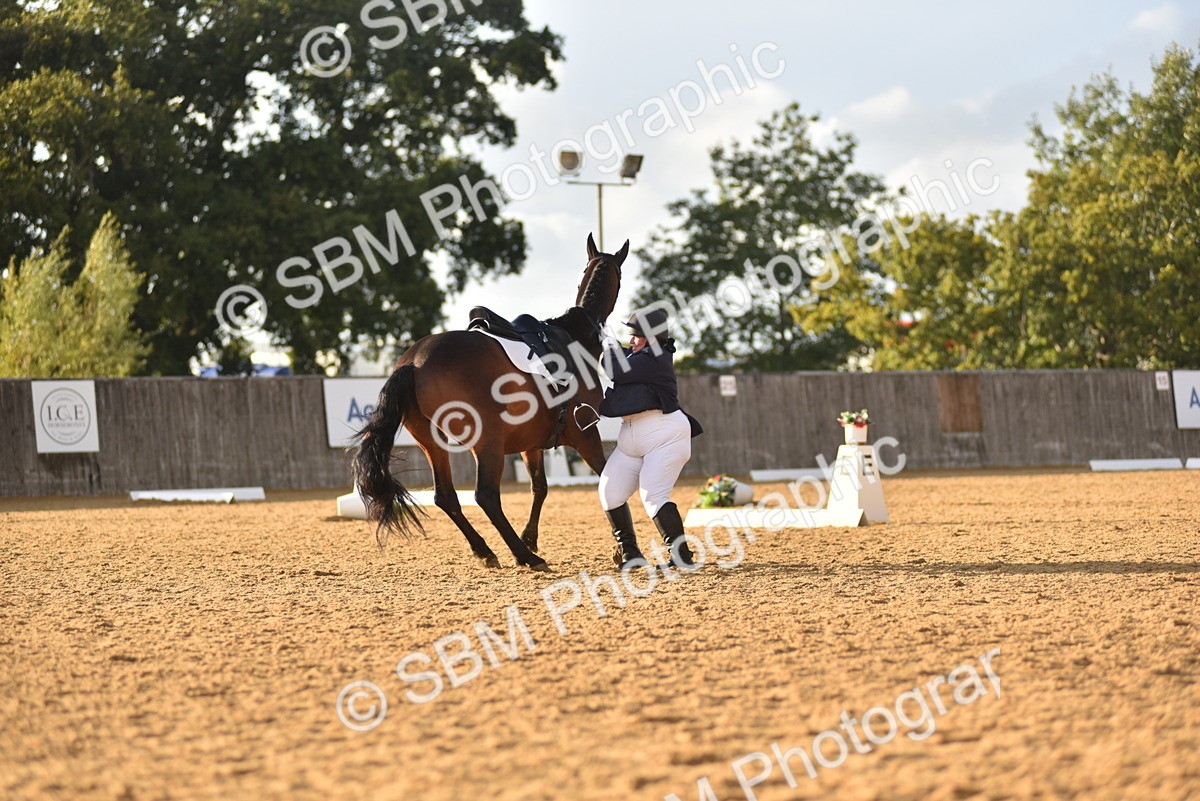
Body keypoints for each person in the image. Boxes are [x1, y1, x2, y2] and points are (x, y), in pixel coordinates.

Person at [597, 306, 703, 570]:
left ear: (652, 337)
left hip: (665, 436)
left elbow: (616, 370)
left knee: (653, 494)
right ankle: (630, 553)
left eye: (636, 336)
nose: (630, 340)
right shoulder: (641, 356)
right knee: (610, 493)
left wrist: (608, 343)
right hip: (631, 440)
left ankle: (682, 557)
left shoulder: (656, 357)